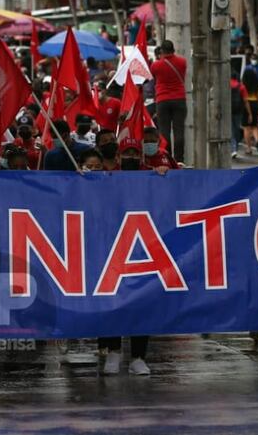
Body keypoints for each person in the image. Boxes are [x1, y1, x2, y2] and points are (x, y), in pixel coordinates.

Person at [98, 137, 151, 376]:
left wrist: (165, 176)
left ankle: (138, 357)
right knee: (111, 303)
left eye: (134, 154)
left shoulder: (153, 179)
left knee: (141, 304)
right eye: (126, 154)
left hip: (143, 251)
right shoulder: (104, 179)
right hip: (111, 250)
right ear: (118, 157)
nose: (131, 157)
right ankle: (113, 352)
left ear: (141, 158)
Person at [150, 40, 187, 162]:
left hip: (162, 99)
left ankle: (167, 157)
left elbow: (153, 77)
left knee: (164, 131)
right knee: (179, 130)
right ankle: (179, 159)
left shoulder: (156, 65)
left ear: (161, 51)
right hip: (179, 98)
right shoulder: (183, 62)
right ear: (173, 50)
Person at [230, 72, 251, 159]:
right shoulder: (241, 86)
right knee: (236, 128)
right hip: (238, 111)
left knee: (230, 130)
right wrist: (249, 113)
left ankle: (233, 148)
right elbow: (246, 101)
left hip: (228, 111)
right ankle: (235, 147)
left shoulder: (225, 84)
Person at [241, 68, 258, 155]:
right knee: (254, 126)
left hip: (246, 105)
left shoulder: (243, 85)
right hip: (255, 104)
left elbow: (243, 97)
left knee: (246, 127)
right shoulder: (257, 85)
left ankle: (249, 148)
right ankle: (257, 141)